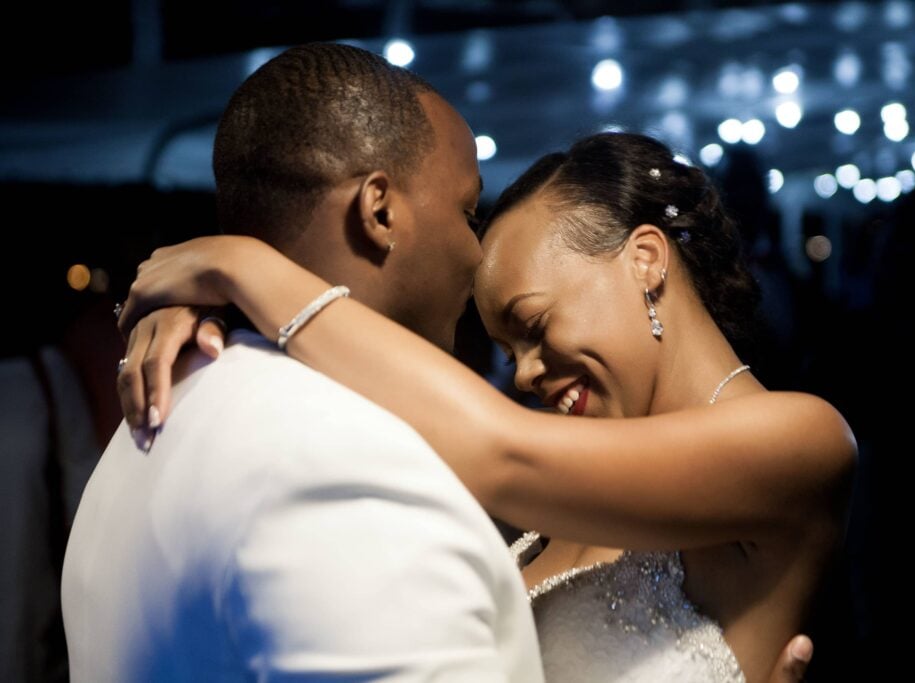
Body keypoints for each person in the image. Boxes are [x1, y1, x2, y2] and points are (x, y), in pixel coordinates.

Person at [117, 132, 850, 680]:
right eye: (506, 352)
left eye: (532, 326)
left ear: (646, 260)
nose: (526, 373)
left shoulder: (803, 440)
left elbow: (499, 448)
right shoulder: (556, 486)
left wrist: (243, 266)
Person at [61, 42, 544, 682]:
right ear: (378, 211)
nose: (475, 253)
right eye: (467, 212)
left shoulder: (151, 424)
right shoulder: (343, 462)